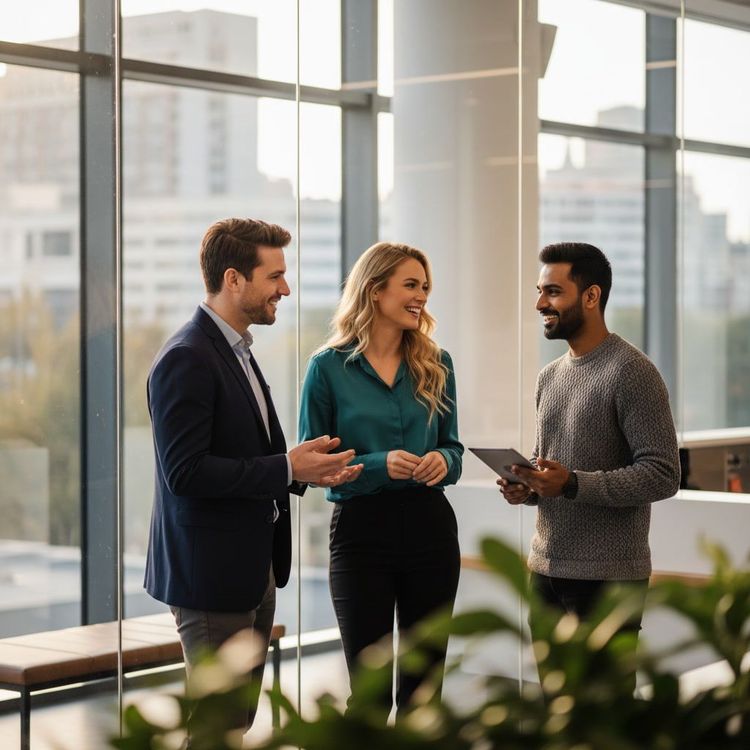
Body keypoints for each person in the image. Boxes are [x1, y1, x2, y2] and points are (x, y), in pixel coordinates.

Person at [144, 218, 362, 739]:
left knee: (236, 720)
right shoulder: (187, 359)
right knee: (216, 727)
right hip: (211, 576)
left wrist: (302, 467)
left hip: (250, 567)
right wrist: (287, 467)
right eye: (275, 276)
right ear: (234, 279)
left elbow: (241, 453)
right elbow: (185, 472)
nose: (285, 289)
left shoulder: (235, 350)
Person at [299, 242, 463, 718]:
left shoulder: (438, 363)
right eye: (411, 285)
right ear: (375, 291)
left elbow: (454, 446)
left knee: (423, 691)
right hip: (360, 534)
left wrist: (442, 461)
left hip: (430, 528)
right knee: (368, 694)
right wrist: (377, 464)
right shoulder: (326, 369)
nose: (422, 297)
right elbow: (316, 465)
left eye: (426, 288)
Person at [498, 242, 680, 656]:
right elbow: (551, 466)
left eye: (553, 292)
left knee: (605, 715)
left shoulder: (633, 372)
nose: (540, 302)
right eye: (540, 291)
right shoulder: (549, 376)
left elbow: (663, 473)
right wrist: (527, 486)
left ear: (592, 296)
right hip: (544, 571)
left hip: (609, 581)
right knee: (553, 711)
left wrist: (573, 484)